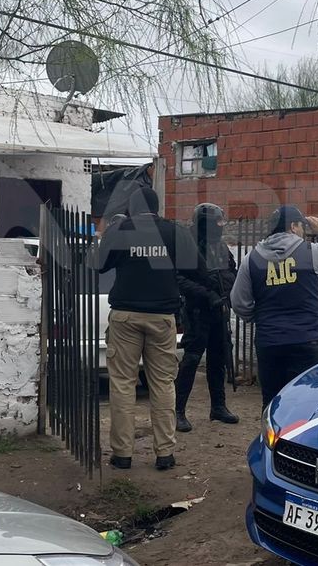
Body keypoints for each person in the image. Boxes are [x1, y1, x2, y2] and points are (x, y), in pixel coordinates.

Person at [96, 187, 199, 471]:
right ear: (156, 207)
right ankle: (165, 454)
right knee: (163, 384)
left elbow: (99, 265)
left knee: (122, 385)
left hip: (125, 316)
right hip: (162, 317)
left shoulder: (121, 230)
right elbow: (196, 269)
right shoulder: (174, 231)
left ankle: (122, 455)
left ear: (131, 208)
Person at [230, 205, 318, 407]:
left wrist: (262, 317)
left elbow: (239, 303)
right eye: (301, 227)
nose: (302, 231)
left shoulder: (252, 258)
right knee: (305, 404)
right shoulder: (311, 251)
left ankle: (271, 438)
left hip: (269, 342)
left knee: (272, 402)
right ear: (293, 227)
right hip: (306, 341)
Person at [174, 203, 239, 433]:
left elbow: (232, 272)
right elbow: (179, 280)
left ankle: (218, 407)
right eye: (217, 223)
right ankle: (178, 410)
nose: (221, 227)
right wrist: (207, 294)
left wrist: (225, 293)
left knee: (218, 358)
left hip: (219, 311)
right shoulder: (187, 246)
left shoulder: (220, 247)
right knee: (191, 359)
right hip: (197, 311)